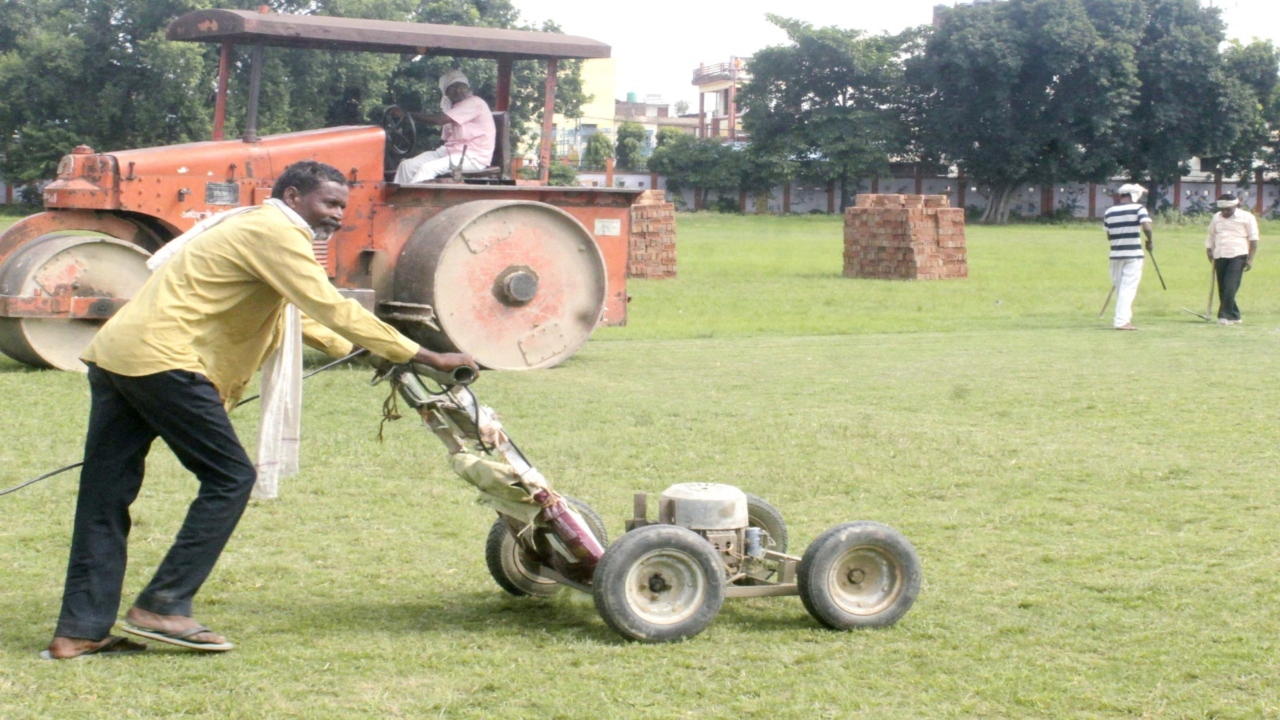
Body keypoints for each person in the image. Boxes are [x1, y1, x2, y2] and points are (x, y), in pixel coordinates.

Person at [45, 161, 477, 660]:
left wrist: (368, 352)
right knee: (229, 478)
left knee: (105, 496)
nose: (338, 216)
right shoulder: (276, 231)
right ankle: (163, 605)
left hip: (119, 355)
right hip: (165, 363)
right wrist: (424, 354)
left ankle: (78, 631)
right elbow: (330, 305)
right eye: (330, 204)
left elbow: (297, 315)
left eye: (343, 207)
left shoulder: (253, 224)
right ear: (293, 195)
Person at [393, 69, 496, 184]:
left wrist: (409, 115)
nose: (458, 90)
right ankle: (395, 200)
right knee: (406, 165)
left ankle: (416, 200)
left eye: (462, 86)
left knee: (427, 168)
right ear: (446, 92)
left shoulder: (474, 103)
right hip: (451, 151)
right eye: (453, 87)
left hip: (473, 157)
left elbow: (439, 120)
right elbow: (446, 139)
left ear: (467, 88)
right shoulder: (452, 107)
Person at [1102, 183, 1154, 331]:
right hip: (1133, 254)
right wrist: (1150, 242)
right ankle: (1121, 321)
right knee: (1128, 289)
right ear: (1133, 195)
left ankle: (1122, 318)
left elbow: (1109, 236)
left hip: (1115, 255)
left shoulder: (1109, 211)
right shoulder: (1139, 208)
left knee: (1121, 289)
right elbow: (1147, 227)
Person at [1205, 193, 1259, 325]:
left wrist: (1250, 259)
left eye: (1228, 209)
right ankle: (1235, 316)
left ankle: (1224, 316)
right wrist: (1209, 251)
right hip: (1219, 255)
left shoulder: (1247, 217)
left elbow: (1253, 239)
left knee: (1231, 286)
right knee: (1223, 287)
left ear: (1236, 205)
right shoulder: (1216, 218)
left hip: (1238, 254)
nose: (1224, 212)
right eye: (1222, 209)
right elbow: (1211, 236)